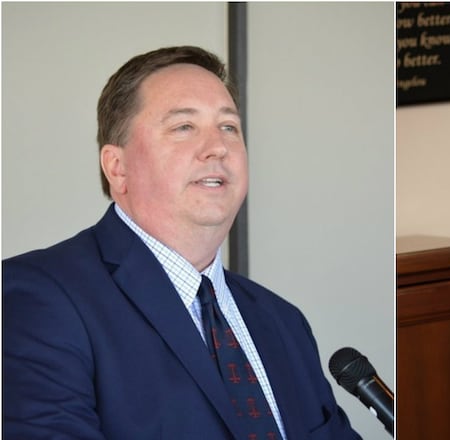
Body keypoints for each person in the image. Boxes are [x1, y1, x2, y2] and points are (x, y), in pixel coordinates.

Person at [3, 46, 361, 440]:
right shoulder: (37, 297)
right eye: (184, 127)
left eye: (229, 127)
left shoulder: (283, 321)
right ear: (117, 167)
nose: (218, 147)